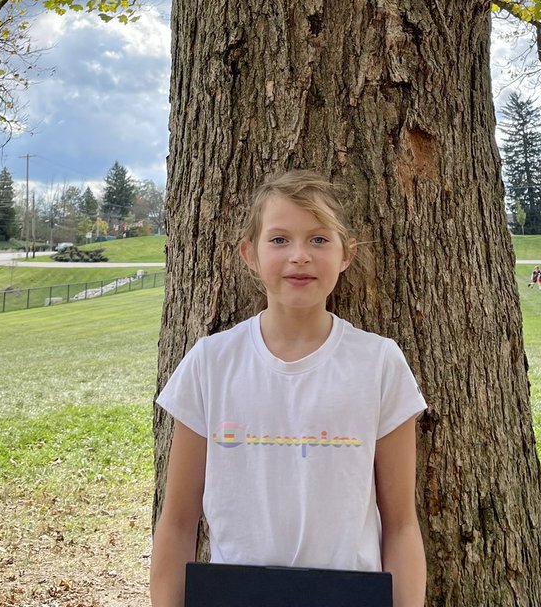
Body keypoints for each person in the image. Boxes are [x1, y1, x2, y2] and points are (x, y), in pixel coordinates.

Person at [149, 170, 427, 607]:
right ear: (250, 254)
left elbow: (402, 525)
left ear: (346, 254)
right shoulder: (211, 363)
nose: (300, 256)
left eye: (319, 239)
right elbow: (178, 522)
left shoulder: (379, 363)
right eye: (279, 240)